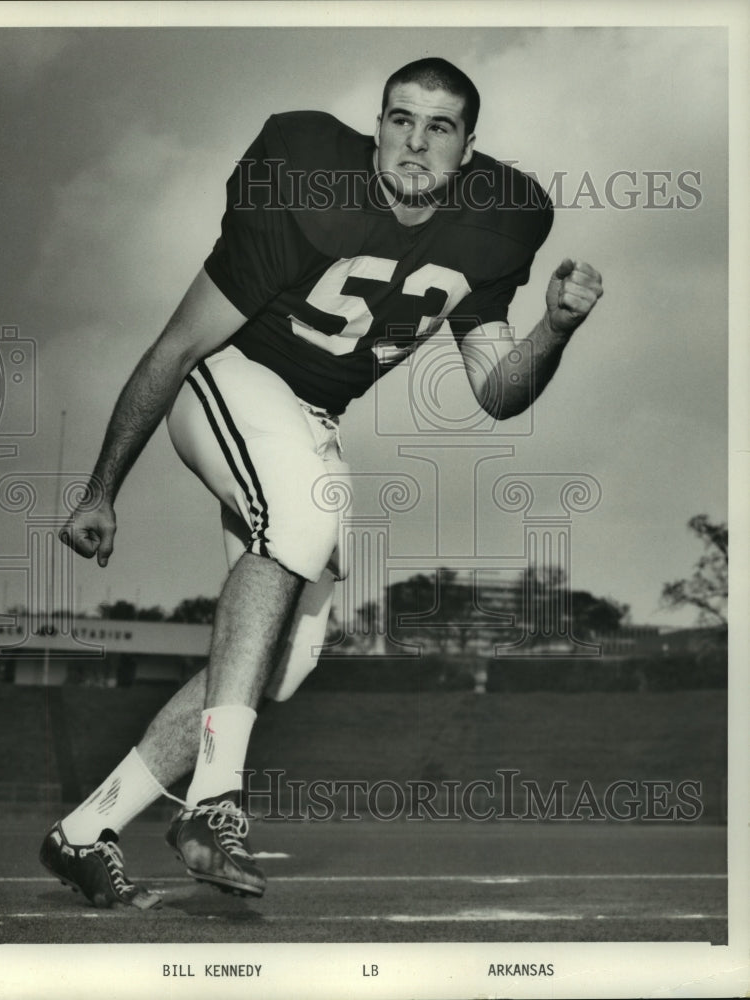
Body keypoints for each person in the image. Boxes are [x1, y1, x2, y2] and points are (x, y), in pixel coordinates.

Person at [39, 57, 603, 909]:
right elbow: (175, 348)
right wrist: (100, 489)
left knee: (286, 659)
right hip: (229, 378)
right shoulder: (306, 175)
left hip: (310, 421)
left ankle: (84, 832)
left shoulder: (497, 221)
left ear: (468, 148)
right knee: (303, 516)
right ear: (376, 123)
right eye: (401, 119)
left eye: (439, 127)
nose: (415, 142)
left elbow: (497, 390)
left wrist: (555, 330)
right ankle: (214, 804)